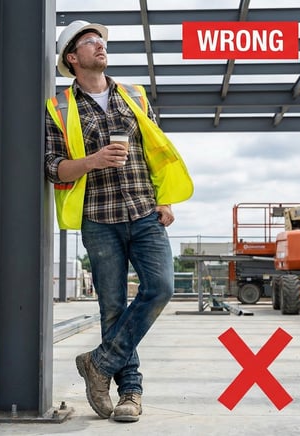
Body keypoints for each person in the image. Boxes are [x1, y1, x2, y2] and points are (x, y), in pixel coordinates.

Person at [44, 20, 193, 422]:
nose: (100, 46)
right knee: (112, 307)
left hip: (144, 211)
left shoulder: (134, 95)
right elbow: (53, 167)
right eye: (91, 42)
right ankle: (130, 394)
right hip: (100, 219)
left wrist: (164, 200)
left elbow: (155, 148)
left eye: (101, 41)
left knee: (160, 288)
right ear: (72, 58)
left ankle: (100, 363)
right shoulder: (59, 107)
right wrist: (93, 161)